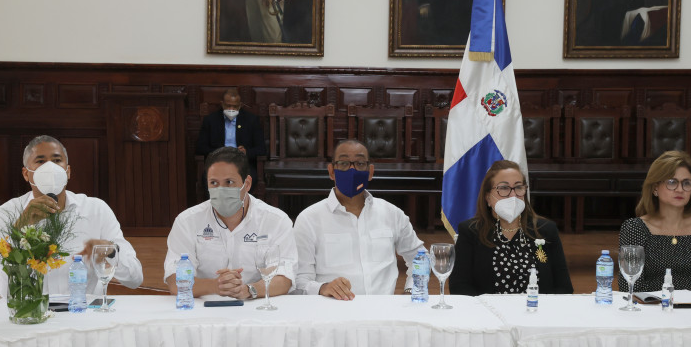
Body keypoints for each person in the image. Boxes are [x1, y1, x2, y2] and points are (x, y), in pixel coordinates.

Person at [0, 135, 143, 298]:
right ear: (26, 174)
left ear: (67, 171)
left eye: (56, 160)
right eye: (40, 161)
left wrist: (110, 251)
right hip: (32, 312)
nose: (50, 167)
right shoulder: (4, 216)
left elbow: (135, 279)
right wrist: (18, 232)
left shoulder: (96, 210)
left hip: (85, 310)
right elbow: (5, 291)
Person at [293, 140, 425, 300]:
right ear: (332, 171)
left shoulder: (392, 213)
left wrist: (411, 290)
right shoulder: (309, 219)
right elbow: (298, 280)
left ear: (370, 172)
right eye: (343, 163)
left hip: (382, 310)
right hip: (332, 310)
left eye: (360, 163)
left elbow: (420, 257)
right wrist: (322, 287)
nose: (352, 170)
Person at [164, 147, 297, 299]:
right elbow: (175, 282)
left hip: (255, 305)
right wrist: (216, 286)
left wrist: (248, 290)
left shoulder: (276, 220)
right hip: (204, 307)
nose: (221, 190)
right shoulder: (187, 221)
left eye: (229, 182)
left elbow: (284, 279)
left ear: (247, 184)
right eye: (214, 183)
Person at [449, 160, 573, 295]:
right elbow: (459, 286)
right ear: (488, 197)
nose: (513, 195)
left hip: (536, 307)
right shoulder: (470, 231)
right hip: (488, 308)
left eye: (518, 187)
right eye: (504, 188)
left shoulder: (546, 230)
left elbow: (564, 287)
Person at [618, 150, 691, 295]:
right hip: (652, 307)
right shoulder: (635, 228)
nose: (680, 189)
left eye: (686, 183)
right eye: (672, 182)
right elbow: (629, 287)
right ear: (655, 187)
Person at [195, 88, 267, 180]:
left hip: (242, 164)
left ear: (240, 105)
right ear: (222, 104)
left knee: (244, 179)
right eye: (228, 106)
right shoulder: (210, 120)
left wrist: (246, 152)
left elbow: (261, 149)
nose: (231, 109)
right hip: (218, 164)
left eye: (235, 106)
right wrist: (220, 152)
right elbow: (200, 148)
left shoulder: (251, 120)